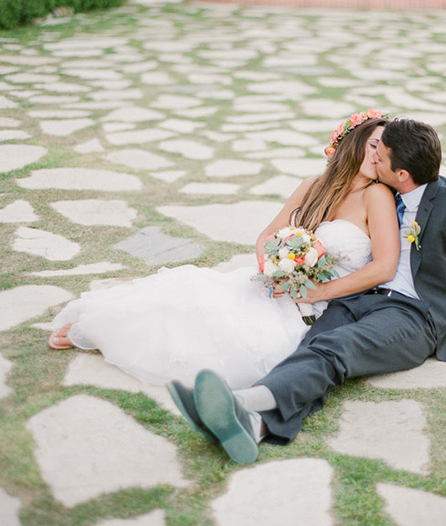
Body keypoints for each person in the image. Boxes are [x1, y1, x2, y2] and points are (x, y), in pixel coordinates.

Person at [169, 117, 446, 464]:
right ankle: (255, 425)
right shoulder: (380, 190)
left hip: (413, 314)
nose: (371, 159)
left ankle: (239, 402)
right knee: (311, 349)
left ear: (402, 174)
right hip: (358, 299)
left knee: (335, 350)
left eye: (379, 157)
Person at [48, 109, 400, 392]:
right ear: (352, 142)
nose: (378, 155)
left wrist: (317, 290)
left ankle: (105, 333)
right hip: (272, 285)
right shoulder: (313, 186)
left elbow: (384, 267)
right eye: (372, 144)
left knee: (225, 338)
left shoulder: (376, 196)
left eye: (385, 150)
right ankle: (102, 326)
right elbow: (269, 234)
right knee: (194, 294)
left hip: (315, 304)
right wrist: (271, 268)